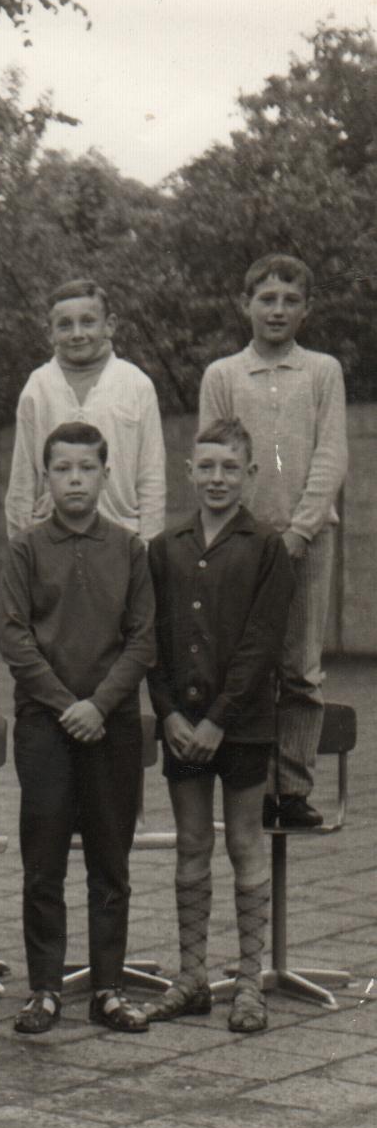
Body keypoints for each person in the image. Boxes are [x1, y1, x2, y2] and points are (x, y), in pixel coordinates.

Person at [1, 422, 156, 1035]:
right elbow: (14, 636)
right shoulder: (25, 548)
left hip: (111, 726)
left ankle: (109, 988)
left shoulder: (129, 548)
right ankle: (44, 989)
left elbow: (143, 639)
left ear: (104, 473)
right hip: (45, 724)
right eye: (61, 469)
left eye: (85, 468)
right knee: (43, 863)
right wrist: (69, 704)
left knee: (109, 862)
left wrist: (100, 705)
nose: (73, 480)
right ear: (46, 477)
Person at [144, 418, 294, 1033]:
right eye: (206, 466)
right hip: (182, 725)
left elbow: (262, 645)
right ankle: (192, 976)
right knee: (192, 846)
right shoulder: (164, 545)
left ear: (250, 474)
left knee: (243, 842)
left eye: (230, 468)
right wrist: (171, 714)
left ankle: (250, 982)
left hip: (244, 725)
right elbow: (148, 640)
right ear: (188, 471)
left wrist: (220, 721)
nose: (216, 478)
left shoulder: (266, 547)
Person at [199, 253, 348, 829]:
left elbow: (331, 454)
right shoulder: (223, 375)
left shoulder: (322, 372)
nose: (278, 310)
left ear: (306, 309)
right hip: (242, 544)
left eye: (290, 300)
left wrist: (299, 531)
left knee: (300, 668)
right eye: (267, 299)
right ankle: (252, 786)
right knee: (248, 667)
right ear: (246, 305)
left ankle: (292, 787)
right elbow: (216, 455)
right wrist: (247, 536)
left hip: (306, 545)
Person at [5, 278, 165, 541]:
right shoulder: (37, 387)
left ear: (109, 325)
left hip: (122, 536)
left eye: (88, 322)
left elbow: (152, 477)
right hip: (51, 542)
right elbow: (22, 480)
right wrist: (22, 547)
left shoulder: (137, 384)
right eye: (65, 325)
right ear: (50, 333)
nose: (77, 334)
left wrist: (148, 545)